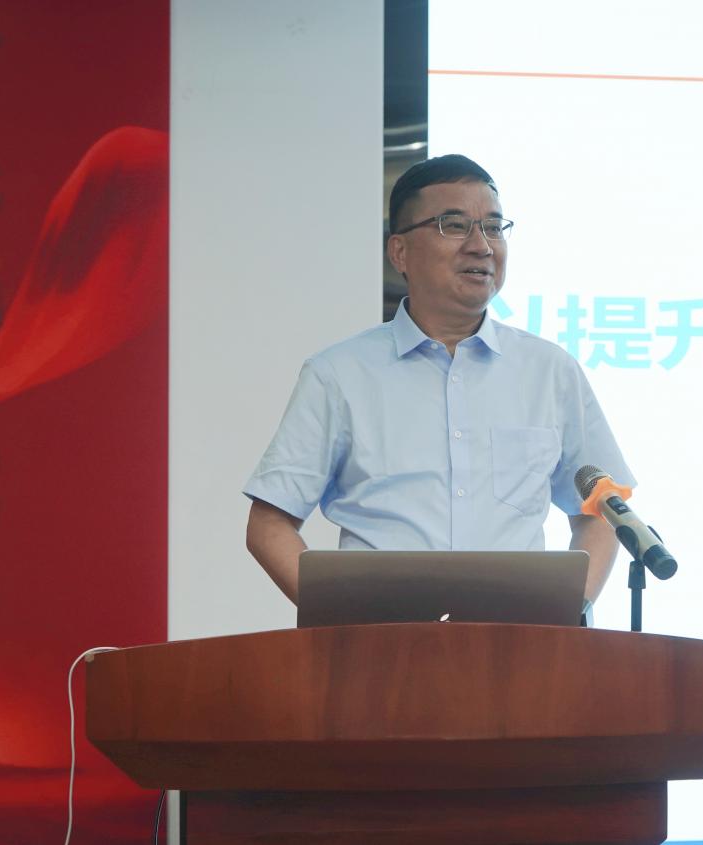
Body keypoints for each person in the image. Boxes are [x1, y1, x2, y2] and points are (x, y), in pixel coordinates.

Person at [243, 154, 634, 610]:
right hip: (383, 644)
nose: (481, 246)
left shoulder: (550, 371)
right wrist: (343, 623)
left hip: (519, 642)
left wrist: (567, 614)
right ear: (400, 252)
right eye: (454, 225)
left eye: (493, 227)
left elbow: (602, 513)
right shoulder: (339, 374)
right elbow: (268, 525)